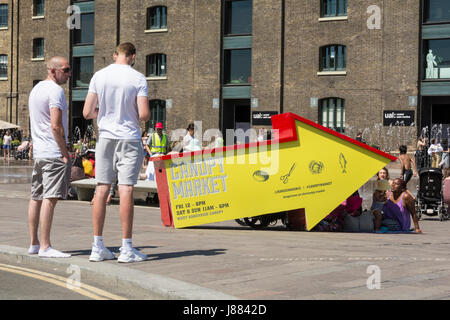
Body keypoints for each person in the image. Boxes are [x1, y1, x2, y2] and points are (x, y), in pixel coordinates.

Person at [83, 42, 149, 263]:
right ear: (133, 56)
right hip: (129, 137)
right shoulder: (138, 78)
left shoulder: (98, 76)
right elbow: (144, 114)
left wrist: (104, 113)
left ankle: (97, 246)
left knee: (101, 189)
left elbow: (86, 112)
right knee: (126, 189)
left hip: (105, 137)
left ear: (114, 55)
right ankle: (127, 249)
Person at [27, 56, 72, 258]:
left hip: (39, 153)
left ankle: (34, 243)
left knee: (36, 198)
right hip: (53, 152)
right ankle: (45, 246)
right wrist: (64, 153)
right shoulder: (56, 91)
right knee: (50, 198)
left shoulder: (36, 90)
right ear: (53, 71)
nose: (69, 74)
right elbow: (55, 125)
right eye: (66, 70)